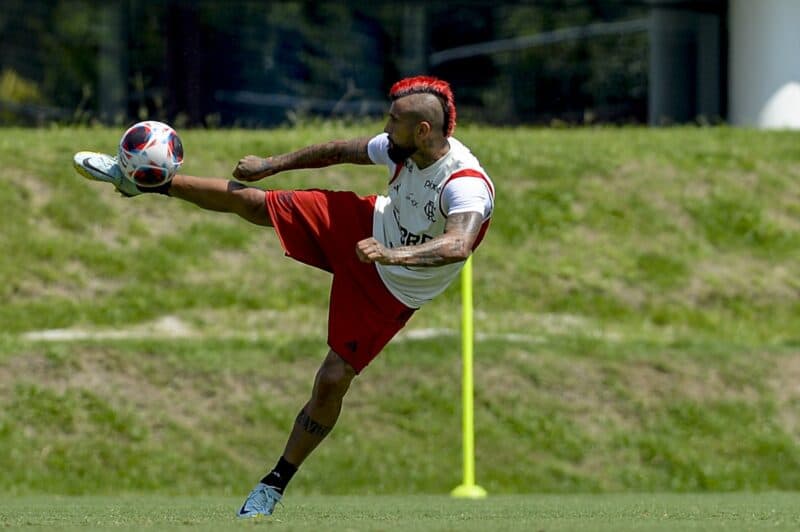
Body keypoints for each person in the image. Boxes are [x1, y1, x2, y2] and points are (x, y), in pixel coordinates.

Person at [72, 76, 495, 519]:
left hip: (393, 288)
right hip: (367, 226)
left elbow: (457, 245)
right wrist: (270, 165)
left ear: (423, 131)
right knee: (258, 203)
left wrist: (391, 255)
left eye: (394, 121)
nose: (386, 129)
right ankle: (143, 183)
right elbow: (338, 151)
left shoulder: (464, 183)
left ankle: (273, 484)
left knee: (332, 379)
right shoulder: (399, 147)